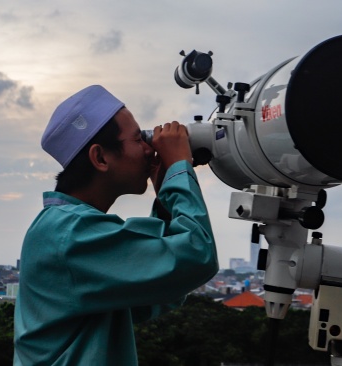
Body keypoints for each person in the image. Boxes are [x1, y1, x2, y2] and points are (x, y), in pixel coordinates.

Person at [13, 85, 219, 365]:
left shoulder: (65, 228)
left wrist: (168, 195)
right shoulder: (70, 235)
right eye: (138, 139)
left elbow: (161, 291)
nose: (149, 149)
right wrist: (179, 168)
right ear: (100, 158)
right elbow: (197, 257)